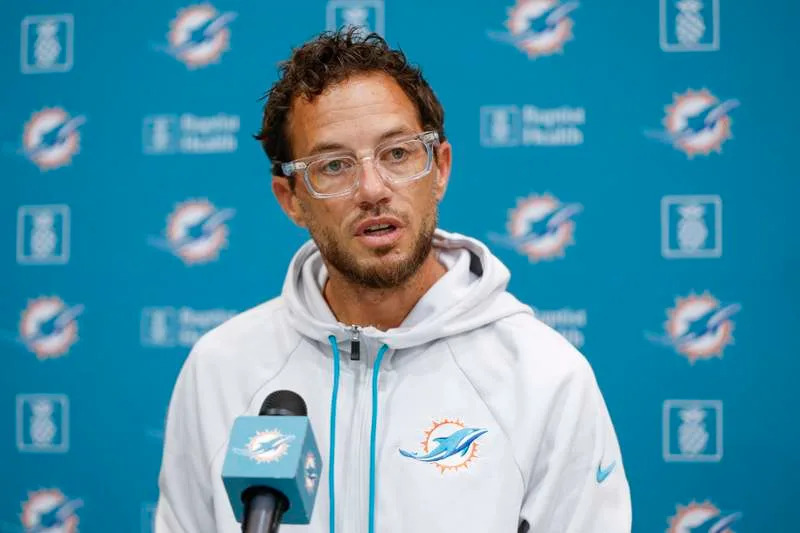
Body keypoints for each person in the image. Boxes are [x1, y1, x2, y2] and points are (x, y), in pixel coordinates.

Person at [155, 28, 632, 533]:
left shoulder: (545, 377)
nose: (373, 189)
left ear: (440, 167)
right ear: (290, 198)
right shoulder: (220, 370)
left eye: (398, 153)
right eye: (334, 165)